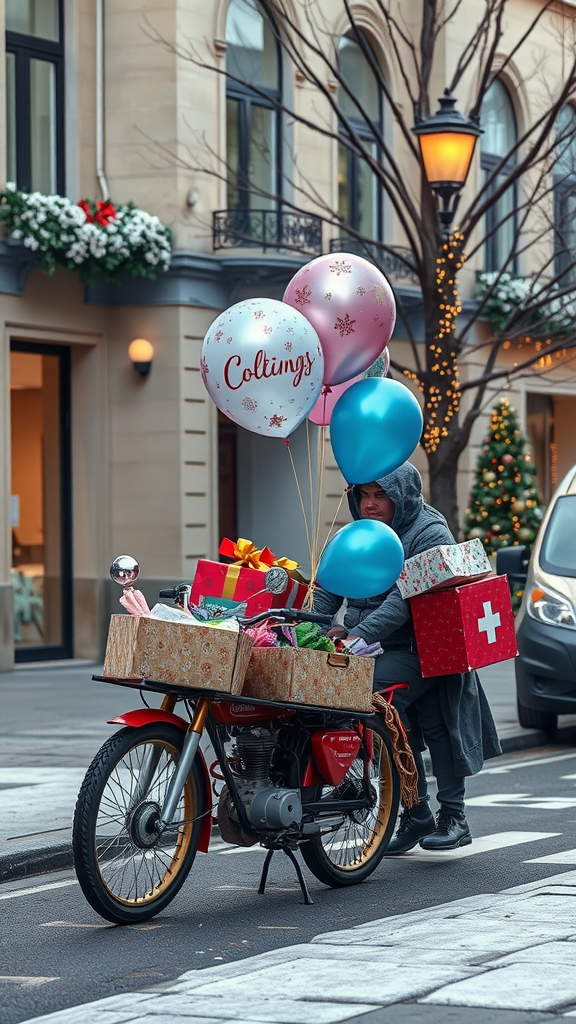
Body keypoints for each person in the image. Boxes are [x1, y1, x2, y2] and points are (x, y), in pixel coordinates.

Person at [313, 462, 501, 853]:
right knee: (417, 722)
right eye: (363, 495)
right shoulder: (356, 532)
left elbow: (404, 601)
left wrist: (355, 635)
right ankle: (417, 814)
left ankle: (451, 817)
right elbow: (328, 586)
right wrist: (312, 629)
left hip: (420, 647)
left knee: (389, 706)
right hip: (368, 646)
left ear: (402, 495)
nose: (370, 505)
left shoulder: (430, 532)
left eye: (380, 495)